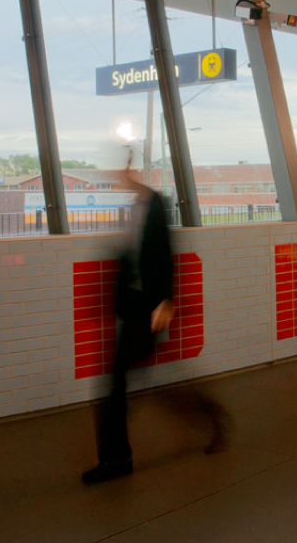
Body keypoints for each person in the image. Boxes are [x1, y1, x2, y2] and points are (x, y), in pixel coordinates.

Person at [82, 160, 227, 484]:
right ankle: (212, 418)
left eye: (125, 172)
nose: (120, 178)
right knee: (149, 385)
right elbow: (131, 259)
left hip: (149, 312)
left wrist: (167, 301)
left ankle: (117, 459)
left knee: (120, 385)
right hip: (134, 310)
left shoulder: (155, 205)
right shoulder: (134, 209)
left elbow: (164, 255)